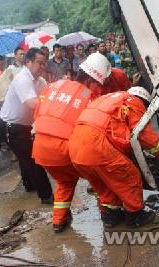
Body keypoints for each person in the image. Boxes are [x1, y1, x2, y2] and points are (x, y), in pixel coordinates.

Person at [69, 87, 159, 228]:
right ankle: (136, 216)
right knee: (130, 175)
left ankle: (111, 217)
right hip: (96, 146)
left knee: (106, 185)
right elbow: (144, 136)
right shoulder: (134, 102)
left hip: (75, 149)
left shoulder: (109, 98)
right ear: (144, 101)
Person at [32, 64, 109, 233]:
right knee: (99, 180)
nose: (100, 89)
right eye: (99, 84)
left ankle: (58, 221)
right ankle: (108, 216)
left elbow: (37, 114)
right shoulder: (89, 97)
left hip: (41, 148)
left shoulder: (52, 87)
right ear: (91, 80)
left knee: (64, 182)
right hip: (65, 148)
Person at [0, 48, 53, 202]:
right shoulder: (22, 78)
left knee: (25, 156)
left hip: (24, 126)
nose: (42, 66)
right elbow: (32, 103)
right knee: (33, 158)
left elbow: (49, 94)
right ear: (28, 62)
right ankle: (46, 195)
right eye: (39, 63)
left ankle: (29, 185)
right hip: (10, 126)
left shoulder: (40, 81)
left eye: (44, 63)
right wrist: (52, 102)